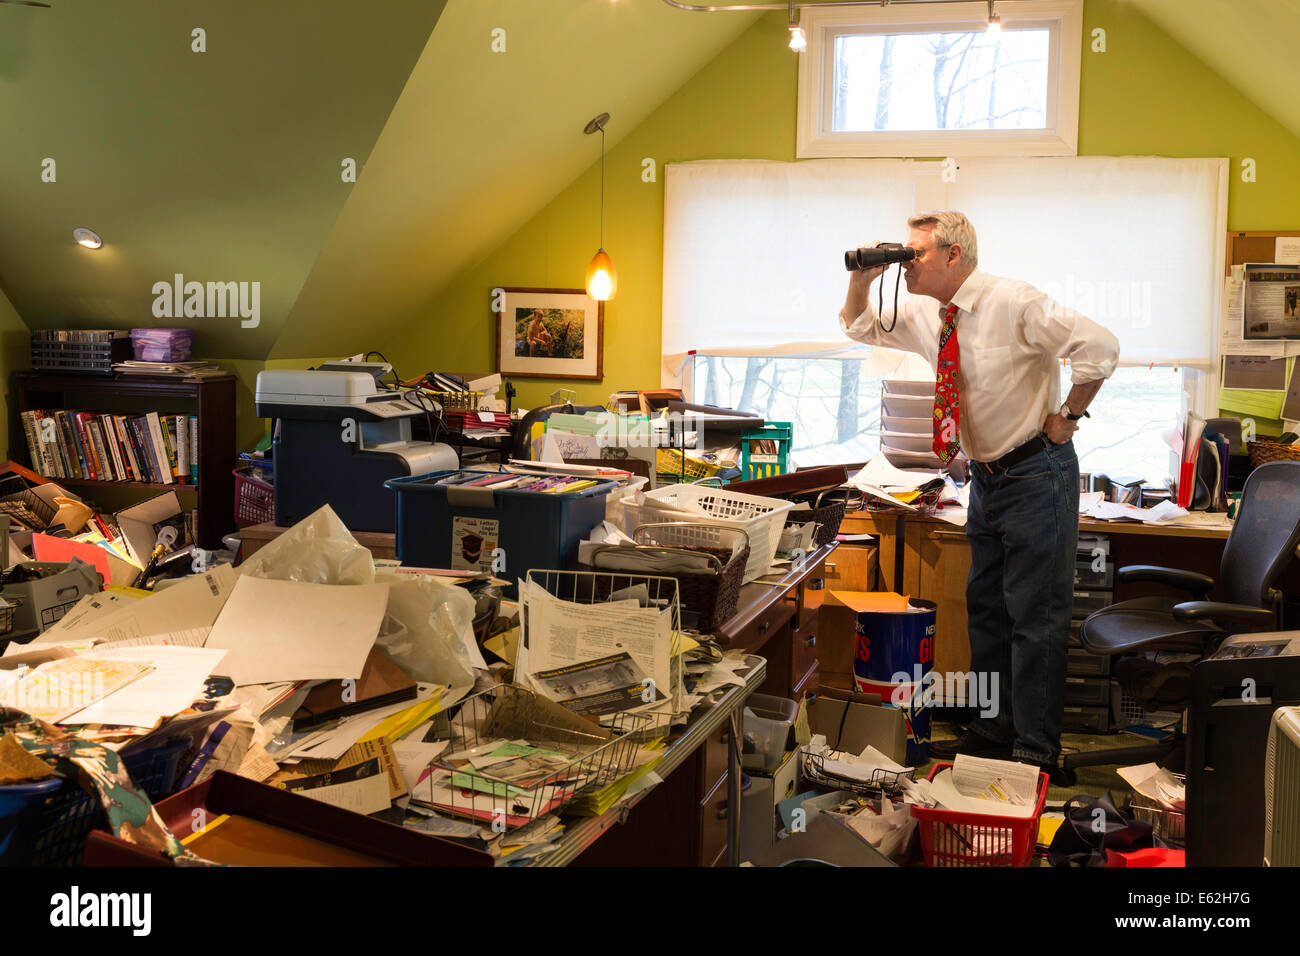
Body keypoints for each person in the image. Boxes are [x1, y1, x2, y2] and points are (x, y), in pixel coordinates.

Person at [839, 211, 1120, 777]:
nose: (906, 262)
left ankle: (1035, 751)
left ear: (953, 256)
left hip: (1038, 473)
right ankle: (993, 732)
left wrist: (1068, 415)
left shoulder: (1014, 302)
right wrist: (864, 274)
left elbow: (1102, 347)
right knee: (986, 615)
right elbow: (858, 326)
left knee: (1034, 618)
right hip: (986, 481)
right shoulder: (924, 310)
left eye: (914, 253)